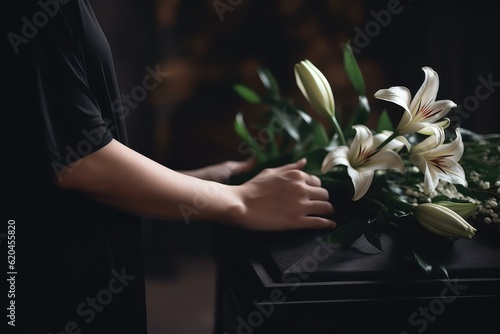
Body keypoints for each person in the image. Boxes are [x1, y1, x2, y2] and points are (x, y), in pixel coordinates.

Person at [1, 1, 336, 333]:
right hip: (49, 277)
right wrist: (239, 199)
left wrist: (197, 182)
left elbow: (48, 149)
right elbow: (78, 160)